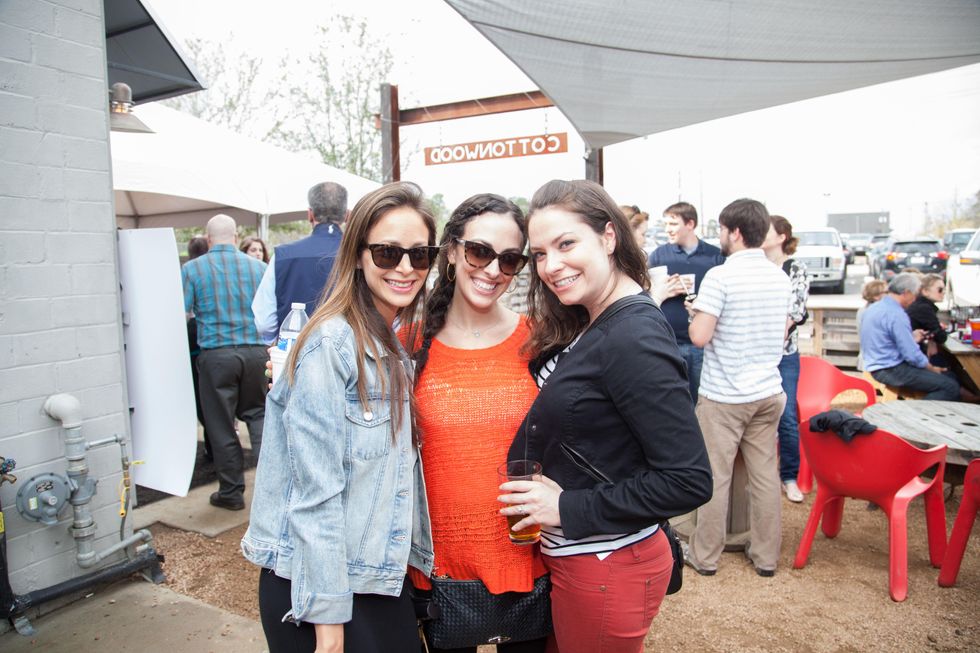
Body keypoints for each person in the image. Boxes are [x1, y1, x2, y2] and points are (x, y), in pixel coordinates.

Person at [499, 179, 712, 653]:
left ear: (609, 237)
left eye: (566, 244)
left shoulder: (633, 334)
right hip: (585, 561)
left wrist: (566, 508)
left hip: (608, 563)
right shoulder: (596, 317)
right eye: (538, 254)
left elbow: (688, 479)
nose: (551, 266)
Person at [241, 182, 438, 653]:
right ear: (357, 255)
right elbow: (316, 491)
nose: (406, 268)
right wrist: (327, 621)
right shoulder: (332, 343)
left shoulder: (388, 343)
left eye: (420, 254)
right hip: (321, 588)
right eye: (388, 253)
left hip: (368, 578)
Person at [407, 194, 550, 653]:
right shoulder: (410, 339)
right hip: (440, 566)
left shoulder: (540, 338)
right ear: (451, 249)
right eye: (479, 251)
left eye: (508, 259)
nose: (492, 270)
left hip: (527, 555)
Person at [683, 199, 791, 577]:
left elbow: (698, 337)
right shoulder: (780, 276)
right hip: (768, 391)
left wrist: (694, 311)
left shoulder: (721, 277)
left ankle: (705, 555)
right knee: (764, 476)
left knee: (715, 475)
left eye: (723, 230)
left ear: (737, 232)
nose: (720, 236)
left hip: (725, 395)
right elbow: (781, 336)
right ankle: (765, 556)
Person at [181, 214, 268, 511]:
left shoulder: (192, 269)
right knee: (259, 417)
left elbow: (184, 312)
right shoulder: (260, 268)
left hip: (216, 355)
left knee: (220, 425)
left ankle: (231, 492)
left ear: (208, 239)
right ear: (235, 237)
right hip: (256, 353)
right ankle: (269, 490)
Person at [252, 182, 349, 344]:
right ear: (346, 215)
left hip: (296, 355)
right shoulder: (364, 256)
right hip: (351, 357)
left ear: (310, 214)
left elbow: (264, 323)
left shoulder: (283, 256)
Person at [647, 201, 725, 401]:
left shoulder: (715, 257)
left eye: (673, 224)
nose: (667, 230)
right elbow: (645, 293)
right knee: (672, 400)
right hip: (668, 342)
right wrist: (663, 289)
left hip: (703, 344)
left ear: (690, 224)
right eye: (666, 225)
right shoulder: (659, 255)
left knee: (702, 399)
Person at [762, 216, 810, 504]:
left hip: (784, 355)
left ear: (782, 236)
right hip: (757, 355)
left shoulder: (795, 268)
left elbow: (796, 312)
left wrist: (772, 339)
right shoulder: (755, 267)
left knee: (787, 417)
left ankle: (789, 476)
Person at [860, 272, 960, 401]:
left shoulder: (874, 308)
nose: (915, 299)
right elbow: (912, 354)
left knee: (949, 377)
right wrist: (932, 369)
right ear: (906, 293)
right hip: (891, 368)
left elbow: (885, 340)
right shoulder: (896, 314)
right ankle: (917, 417)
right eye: (915, 294)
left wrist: (911, 337)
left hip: (877, 364)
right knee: (950, 386)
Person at [185, 235, 212, 461]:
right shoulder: (254, 267)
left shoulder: (191, 270)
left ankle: (230, 486)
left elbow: (182, 310)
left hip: (204, 348)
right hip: (248, 351)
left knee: (213, 412)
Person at [906, 273, 948, 364]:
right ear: (925, 291)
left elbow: (935, 332)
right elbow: (941, 337)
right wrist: (936, 333)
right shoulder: (923, 308)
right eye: (940, 290)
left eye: (944, 289)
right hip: (912, 356)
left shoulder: (921, 305)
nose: (944, 292)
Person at [855, 279, 887, 372]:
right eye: (886, 292)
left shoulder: (863, 310)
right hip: (875, 360)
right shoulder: (875, 312)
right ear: (876, 296)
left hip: (867, 358)